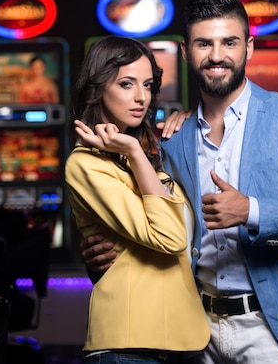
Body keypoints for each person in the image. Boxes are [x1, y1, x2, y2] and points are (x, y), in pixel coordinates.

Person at [80, 0, 278, 364]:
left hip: (277, 331)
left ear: (250, 48)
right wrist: (99, 256)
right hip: (195, 332)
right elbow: (152, 224)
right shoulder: (169, 139)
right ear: (185, 52)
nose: (216, 55)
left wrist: (252, 210)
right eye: (203, 43)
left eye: (229, 42)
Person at [65, 35, 210, 363]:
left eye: (147, 85)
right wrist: (131, 150)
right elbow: (170, 237)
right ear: (99, 86)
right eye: (127, 84)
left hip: (176, 337)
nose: (141, 97)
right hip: (128, 343)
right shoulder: (86, 162)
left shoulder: (154, 151)